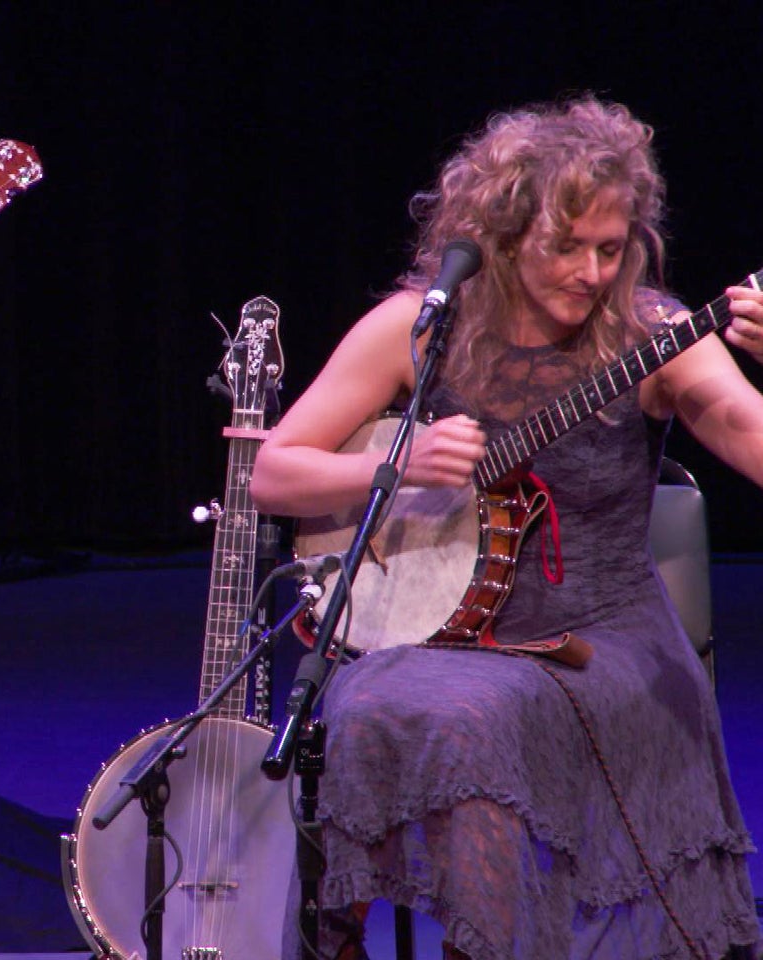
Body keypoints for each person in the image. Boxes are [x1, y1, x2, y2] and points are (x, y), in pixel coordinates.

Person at [250, 96, 763, 959]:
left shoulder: (657, 334)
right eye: (566, 247)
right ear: (502, 233)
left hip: (604, 639)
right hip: (437, 640)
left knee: (471, 720)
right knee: (393, 706)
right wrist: (396, 465)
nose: (593, 273)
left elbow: (750, 436)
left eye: (611, 249)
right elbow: (274, 471)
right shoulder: (423, 328)